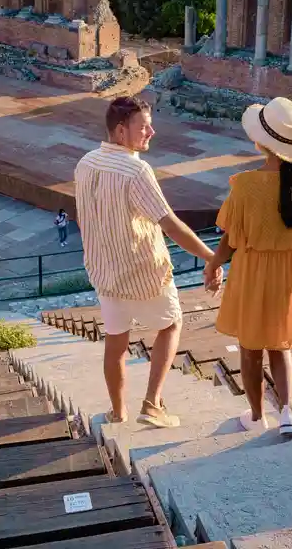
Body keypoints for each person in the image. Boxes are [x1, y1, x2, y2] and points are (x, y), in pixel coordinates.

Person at [75, 96, 223, 429]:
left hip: (105, 275)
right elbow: (169, 224)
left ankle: (117, 412)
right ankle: (152, 404)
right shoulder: (136, 170)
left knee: (115, 344)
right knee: (171, 324)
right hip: (144, 272)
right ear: (120, 131)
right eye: (143, 126)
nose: (151, 132)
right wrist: (212, 257)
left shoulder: (85, 163)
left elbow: (84, 219)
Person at [204, 97, 292, 436]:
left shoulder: (245, 185)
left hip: (252, 273)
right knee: (281, 345)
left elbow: (232, 240)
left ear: (261, 142)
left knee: (250, 351)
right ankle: (289, 413)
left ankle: (256, 415)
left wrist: (213, 266)